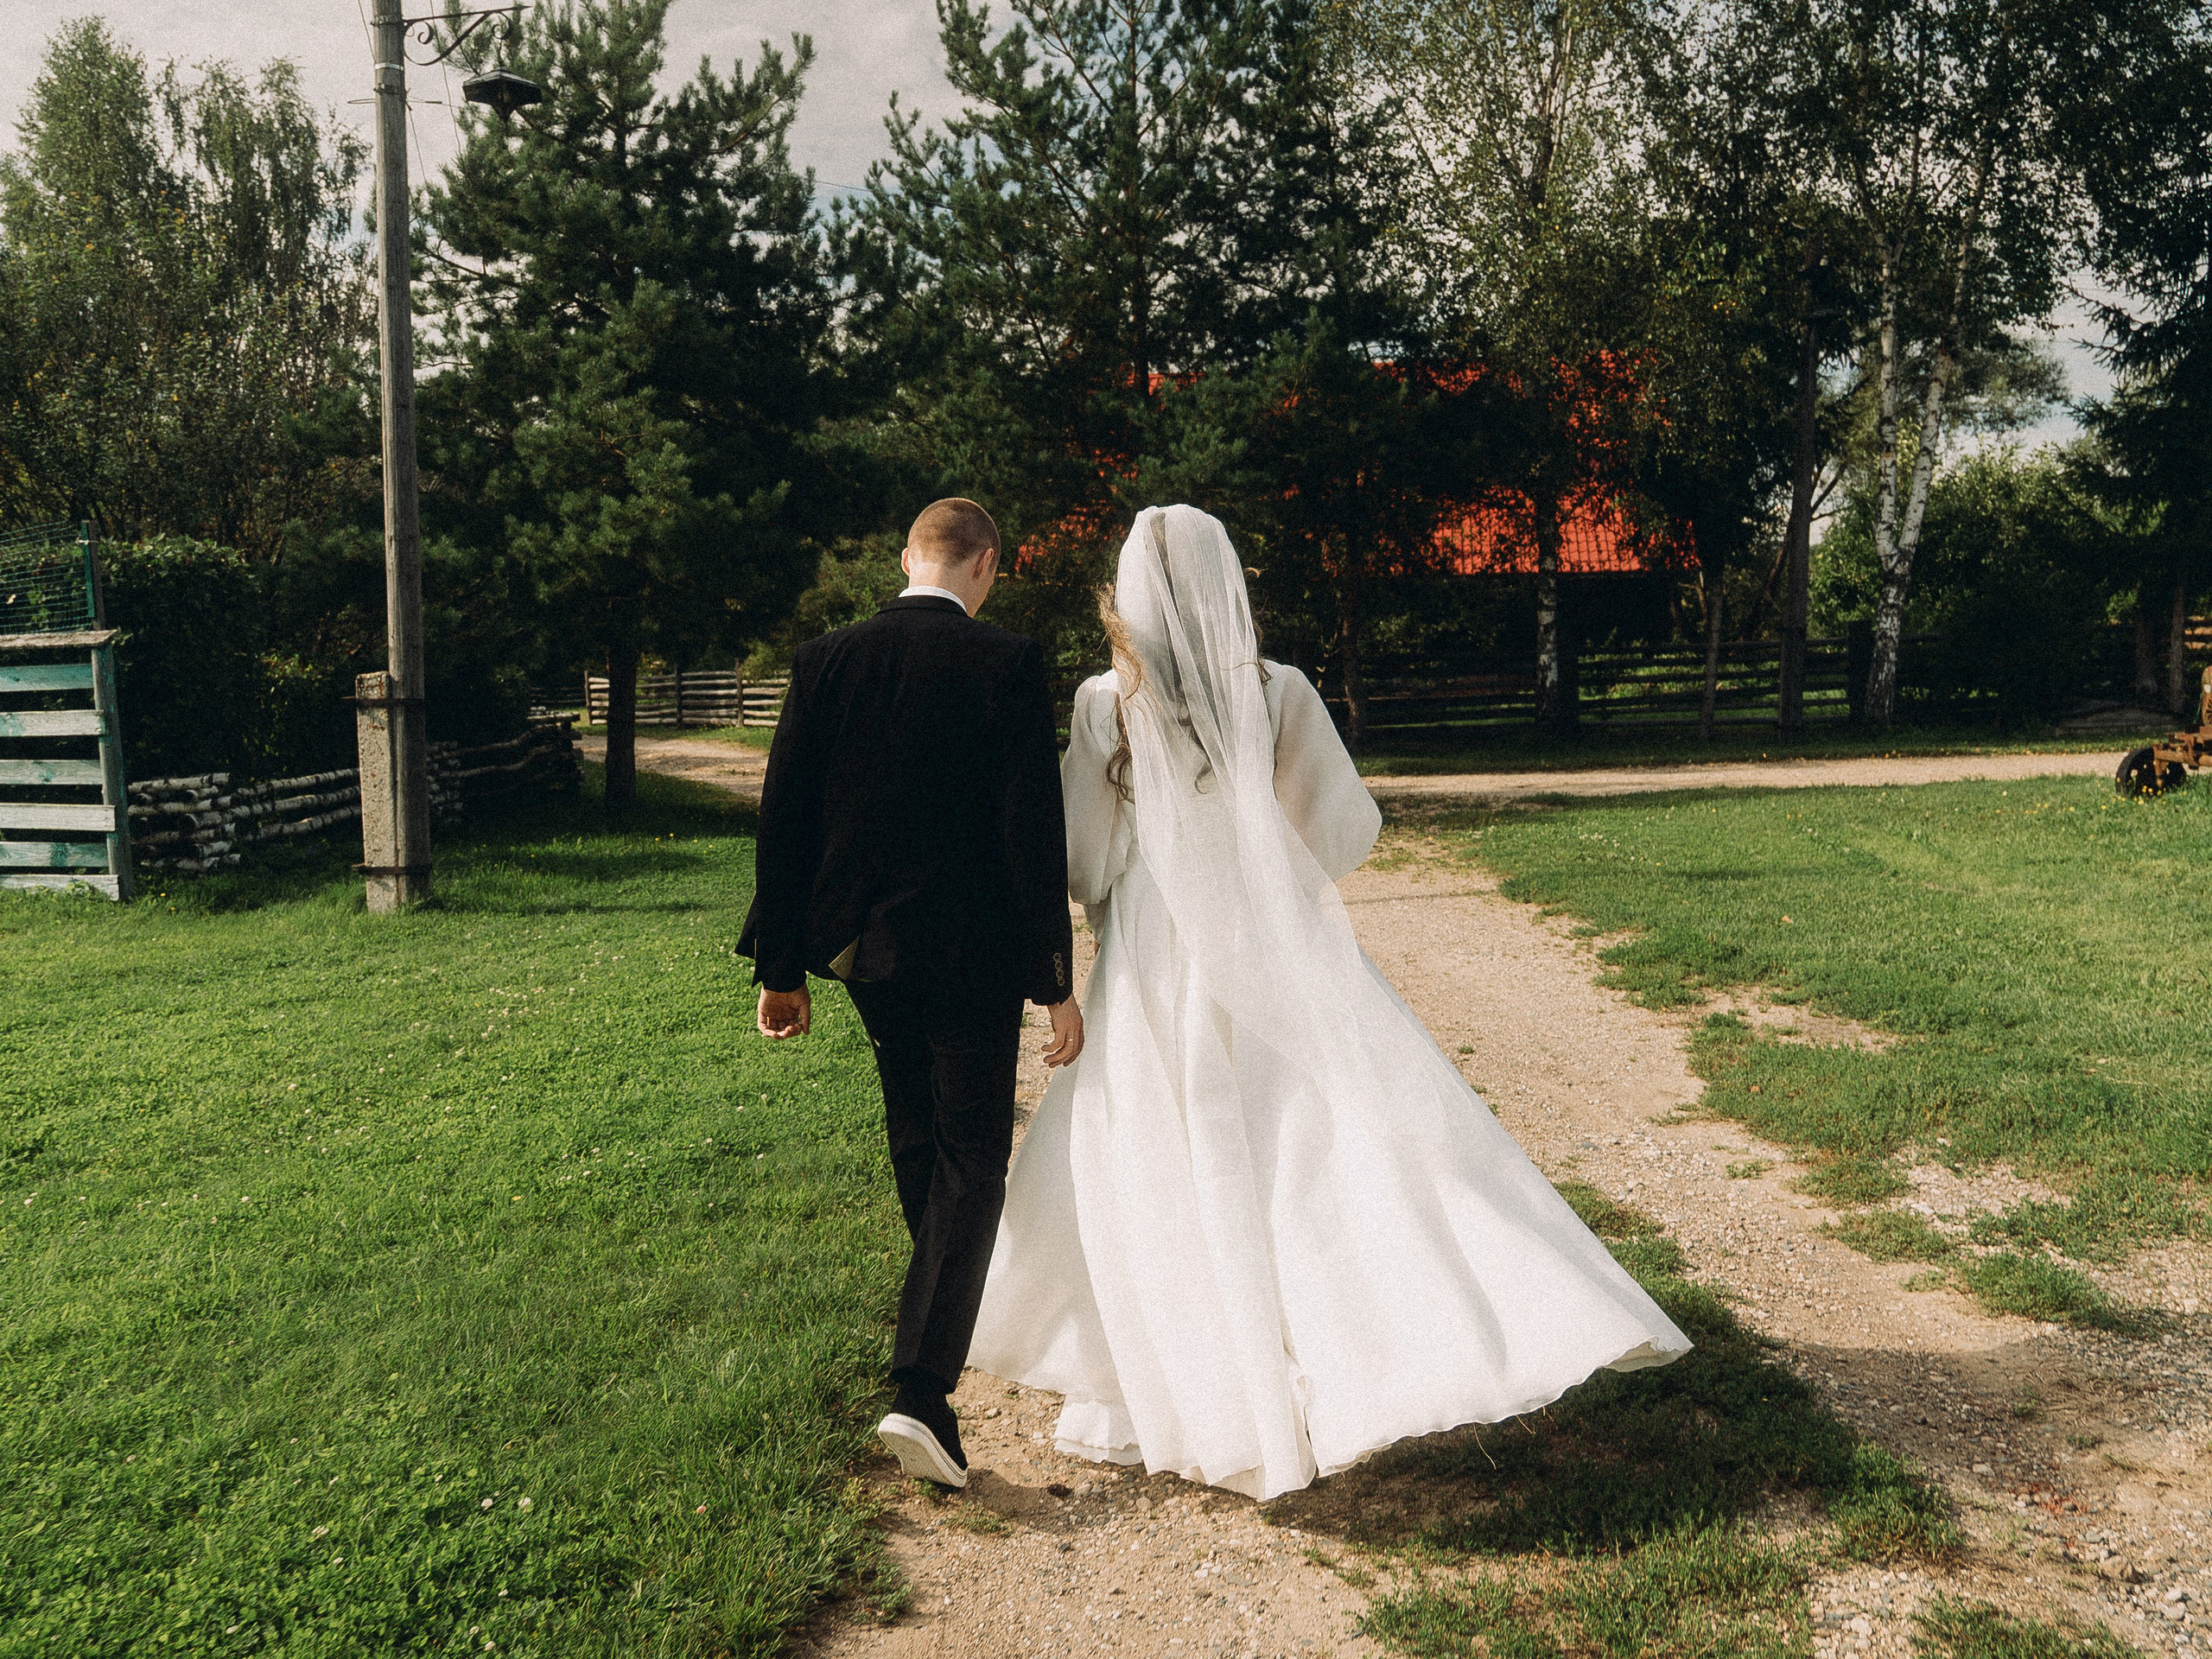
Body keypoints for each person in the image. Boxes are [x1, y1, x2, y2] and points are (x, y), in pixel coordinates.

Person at [968, 505, 1690, 1502]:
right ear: (1229, 587)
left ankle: (1167, 1379)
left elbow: (1081, 856)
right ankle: (1364, 1343)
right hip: (1269, 942)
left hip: (1151, 950)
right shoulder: (1281, 691)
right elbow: (1341, 828)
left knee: (1162, 1150)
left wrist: (1116, 882)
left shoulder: (1106, 700)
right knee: (1310, 1139)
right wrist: (1261, 861)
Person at [741, 498, 1085, 1490]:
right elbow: (1031, 831)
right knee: (972, 1155)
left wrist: (780, 970)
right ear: (984, 564)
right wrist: (1053, 980)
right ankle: (923, 1390)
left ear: (906, 557)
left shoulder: (825, 658)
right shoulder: (1007, 663)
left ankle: (933, 1327)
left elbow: (784, 818)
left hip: (862, 954)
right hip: (971, 955)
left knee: (919, 1139)